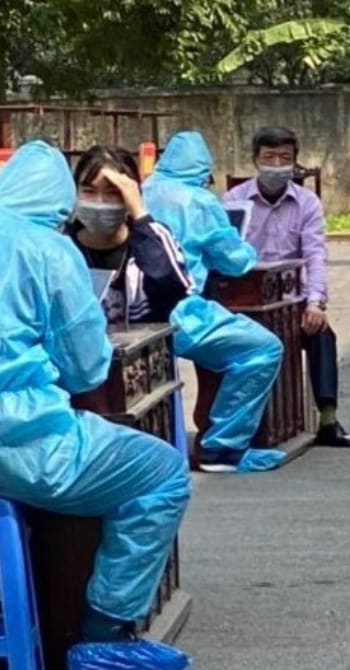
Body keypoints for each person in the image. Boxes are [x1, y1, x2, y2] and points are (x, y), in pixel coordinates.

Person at [0, 141, 191, 656]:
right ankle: (102, 635)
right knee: (162, 472)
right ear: (62, 205)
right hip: (20, 437)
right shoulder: (46, 249)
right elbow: (86, 368)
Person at [143, 131, 288, 473]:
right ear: (202, 170)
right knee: (262, 349)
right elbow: (234, 261)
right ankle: (222, 448)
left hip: (133, 310)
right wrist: (246, 248)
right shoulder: (199, 201)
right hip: (181, 311)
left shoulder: (141, 191)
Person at [223, 127, 350, 448]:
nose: (276, 164)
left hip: (291, 300)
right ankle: (237, 425)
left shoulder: (307, 203)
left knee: (322, 335)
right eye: (269, 157)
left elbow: (315, 254)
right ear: (256, 160)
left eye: (285, 158)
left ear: (295, 163)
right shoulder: (233, 200)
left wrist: (315, 303)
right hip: (246, 302)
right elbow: (221, 251)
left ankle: (328, 417)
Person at [65, 146, 193, 325]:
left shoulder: (151, 240)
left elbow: (176, 289)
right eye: (89, 192)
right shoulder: (61, 246)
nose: (100, 203)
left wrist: (139, 213)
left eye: (113, 193)